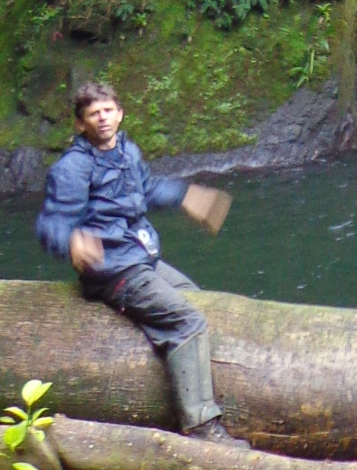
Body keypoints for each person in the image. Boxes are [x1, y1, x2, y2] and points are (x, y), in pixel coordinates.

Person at [36, 81, 244, 443]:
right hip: (112, 271)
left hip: (140, 258)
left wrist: (186, 196)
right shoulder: (72, 168)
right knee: (187, 322)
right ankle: (200, 426)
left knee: (199, 299)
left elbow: (147, 189)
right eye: (93, 114)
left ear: (120, 113)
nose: (102, 119)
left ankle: (211, 390)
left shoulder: (126, 151)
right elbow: (50, 224)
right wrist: (70, 241)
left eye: (108, 111)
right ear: (80, 123)